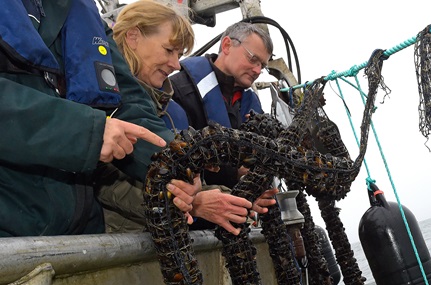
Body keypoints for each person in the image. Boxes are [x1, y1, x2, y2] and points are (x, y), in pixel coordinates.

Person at [0, 0, 197, 237]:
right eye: (169, 50)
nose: (176, 64)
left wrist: (178, 162)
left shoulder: (81, 12)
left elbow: (126, 103)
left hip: (78, 233)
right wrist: (84, 131)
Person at [99, 0, 276, 234]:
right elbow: (101, 182)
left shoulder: (170, 110)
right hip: (117, 245)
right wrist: (193, 205)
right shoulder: (101, 96)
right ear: (133, 37)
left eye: (179, 54)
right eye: (169, 50)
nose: (175, 64)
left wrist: (236, 200)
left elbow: (189, 186)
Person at [168, 21, 277, 230]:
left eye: (262, 65)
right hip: (193, 226)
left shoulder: (250, 104)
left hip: (236, 221)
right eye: (253, 59)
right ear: (226, 45)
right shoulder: (178, 91)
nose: (257, 70)